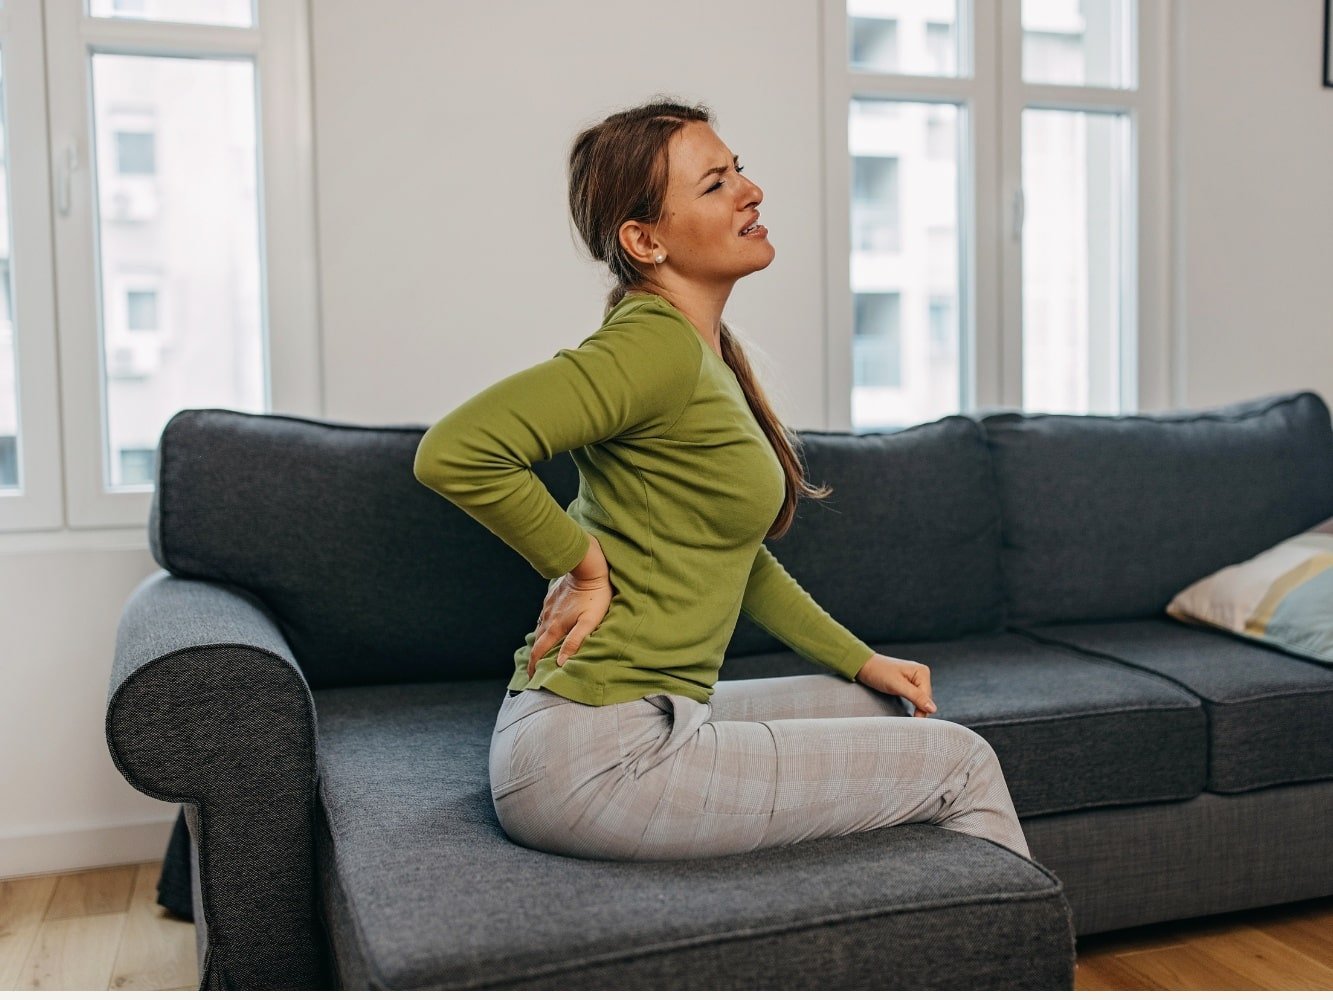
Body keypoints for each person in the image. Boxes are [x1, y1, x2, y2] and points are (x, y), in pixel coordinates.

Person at [413, 96, 1031, 863]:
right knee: (962, 760)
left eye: (738, 170)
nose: (750, 191)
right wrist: (580, 564)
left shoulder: (700, 351)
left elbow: (735, 555)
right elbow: (455, 450)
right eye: (713, 184)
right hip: (594, 759)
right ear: (644, 239)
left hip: (637, 720)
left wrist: (860, 659)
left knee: (877, 701)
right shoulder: (651, 348)